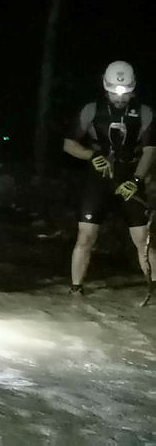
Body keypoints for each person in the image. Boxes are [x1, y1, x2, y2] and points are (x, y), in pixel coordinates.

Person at [64, 61, 155, 294]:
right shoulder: (91, 110)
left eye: (124, 93)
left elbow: (150, 151)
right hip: (99, 176)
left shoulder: (144, 112)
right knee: (86, 235)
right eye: (114, 91)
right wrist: (91, 154)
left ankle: (153, 287)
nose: (119, 97)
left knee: (143, 238)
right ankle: (76, 289)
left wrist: (136, 181)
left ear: (133, 89)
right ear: (106, 87)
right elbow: (69, 144)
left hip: (129, 177)